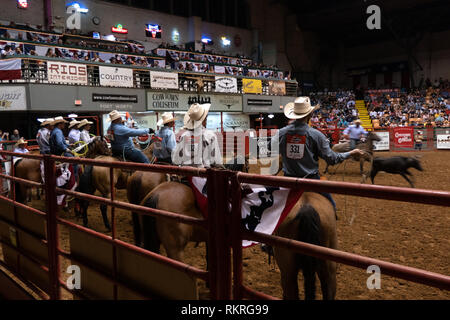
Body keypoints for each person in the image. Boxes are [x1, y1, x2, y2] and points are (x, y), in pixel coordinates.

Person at [274, 97, 364, 209]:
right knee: (331, 205)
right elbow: (332, 159)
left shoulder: (280, 133)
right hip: (311, 181)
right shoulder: (316, 135)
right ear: (310, 115)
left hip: (288, 181)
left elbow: (269, 148)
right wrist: (350, 153)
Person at [172, 103, 222, 168]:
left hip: (187, 173)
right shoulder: (210, 136)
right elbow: (217, 161)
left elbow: (175, 160)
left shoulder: (184, 136)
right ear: (204, 119)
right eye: (206, 118)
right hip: (204, 174)